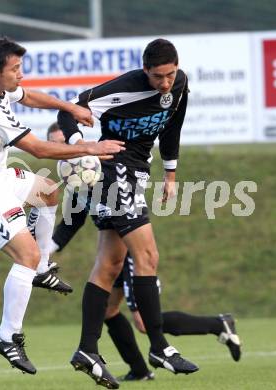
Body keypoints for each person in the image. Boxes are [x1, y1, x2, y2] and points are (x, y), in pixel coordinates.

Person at [0, 37, 124, 376]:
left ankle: (42, 267)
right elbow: (39, 150)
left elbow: (27, 96)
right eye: (16, 69)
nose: (22, 75)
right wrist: (89, 148)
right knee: (24, 256)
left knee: (47, 192)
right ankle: (7, 336)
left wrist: (71, 109)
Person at [45, 123, 241, 382]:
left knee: (142, 321)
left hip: (129, 251)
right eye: (57, 145)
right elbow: (70, 224)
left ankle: (216, 325)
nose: (64, 150)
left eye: (66, 142)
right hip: (111, 253)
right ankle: (139, 369)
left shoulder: (102, 169)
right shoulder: (76, 182)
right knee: (108, 312)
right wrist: (39, 254)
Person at [57, 38, 197, 388]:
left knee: (110, 264)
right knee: (147, 254)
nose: (164, 82)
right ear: (144, 70)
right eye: (156, 76)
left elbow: (172, 126)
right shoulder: (123, 88)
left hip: (134, 172)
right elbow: (67, 110)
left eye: (170, 74)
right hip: (114, 172)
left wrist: (170, 173)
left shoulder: (179, 85)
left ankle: (87, 349)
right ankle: (160, 347)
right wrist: (84, 147)